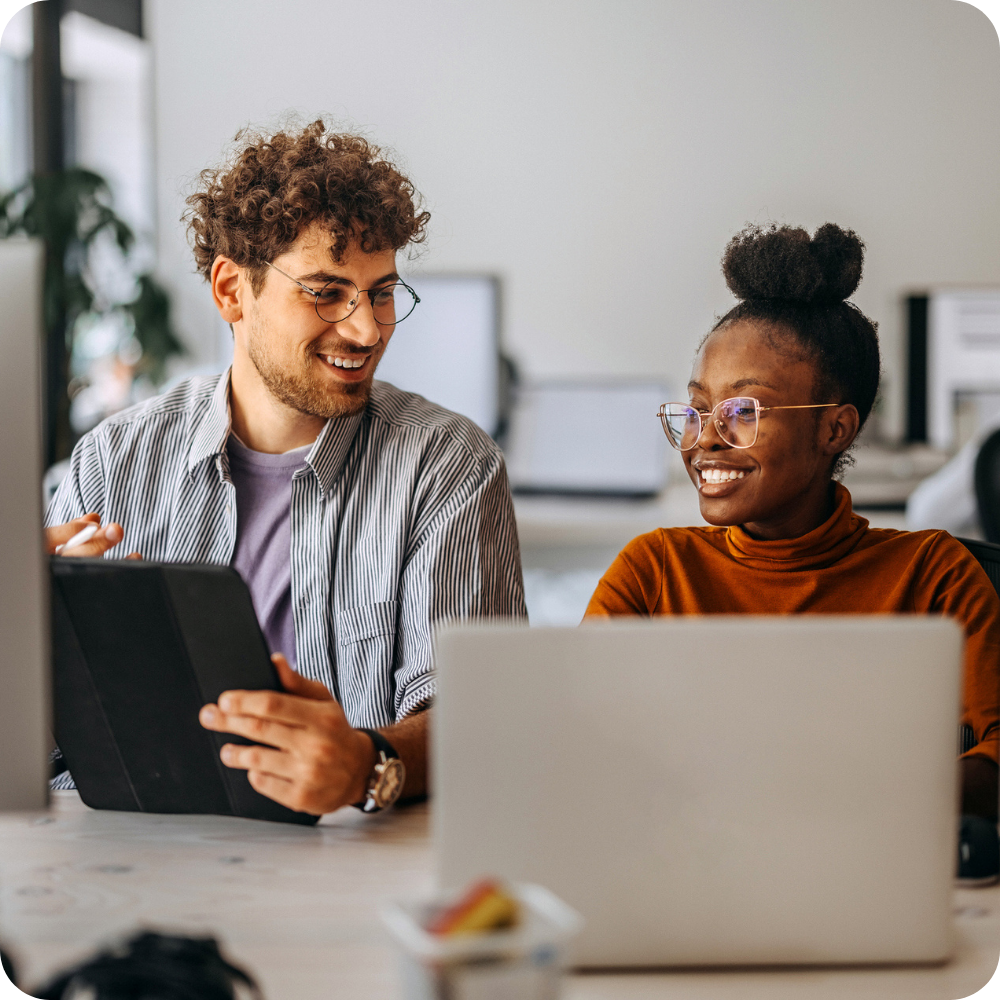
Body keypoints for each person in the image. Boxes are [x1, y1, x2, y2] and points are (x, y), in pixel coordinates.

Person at [46, 121, 526, 816]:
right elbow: (46, 741)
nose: (366, 330)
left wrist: (368, 763)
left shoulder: (446, 465)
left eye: (382, 292)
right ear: (231, 292)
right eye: (327, 292)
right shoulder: (115, 459)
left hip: (341, 865)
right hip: (121, 846)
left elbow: (483, 720)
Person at [586, 222, 1000, 820]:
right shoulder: (653, 571)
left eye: (743, 411)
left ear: (835, 428)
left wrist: (861, 799)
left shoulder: (934, 575)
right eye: (699, 409)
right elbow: (575, 744)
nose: (706, 439)